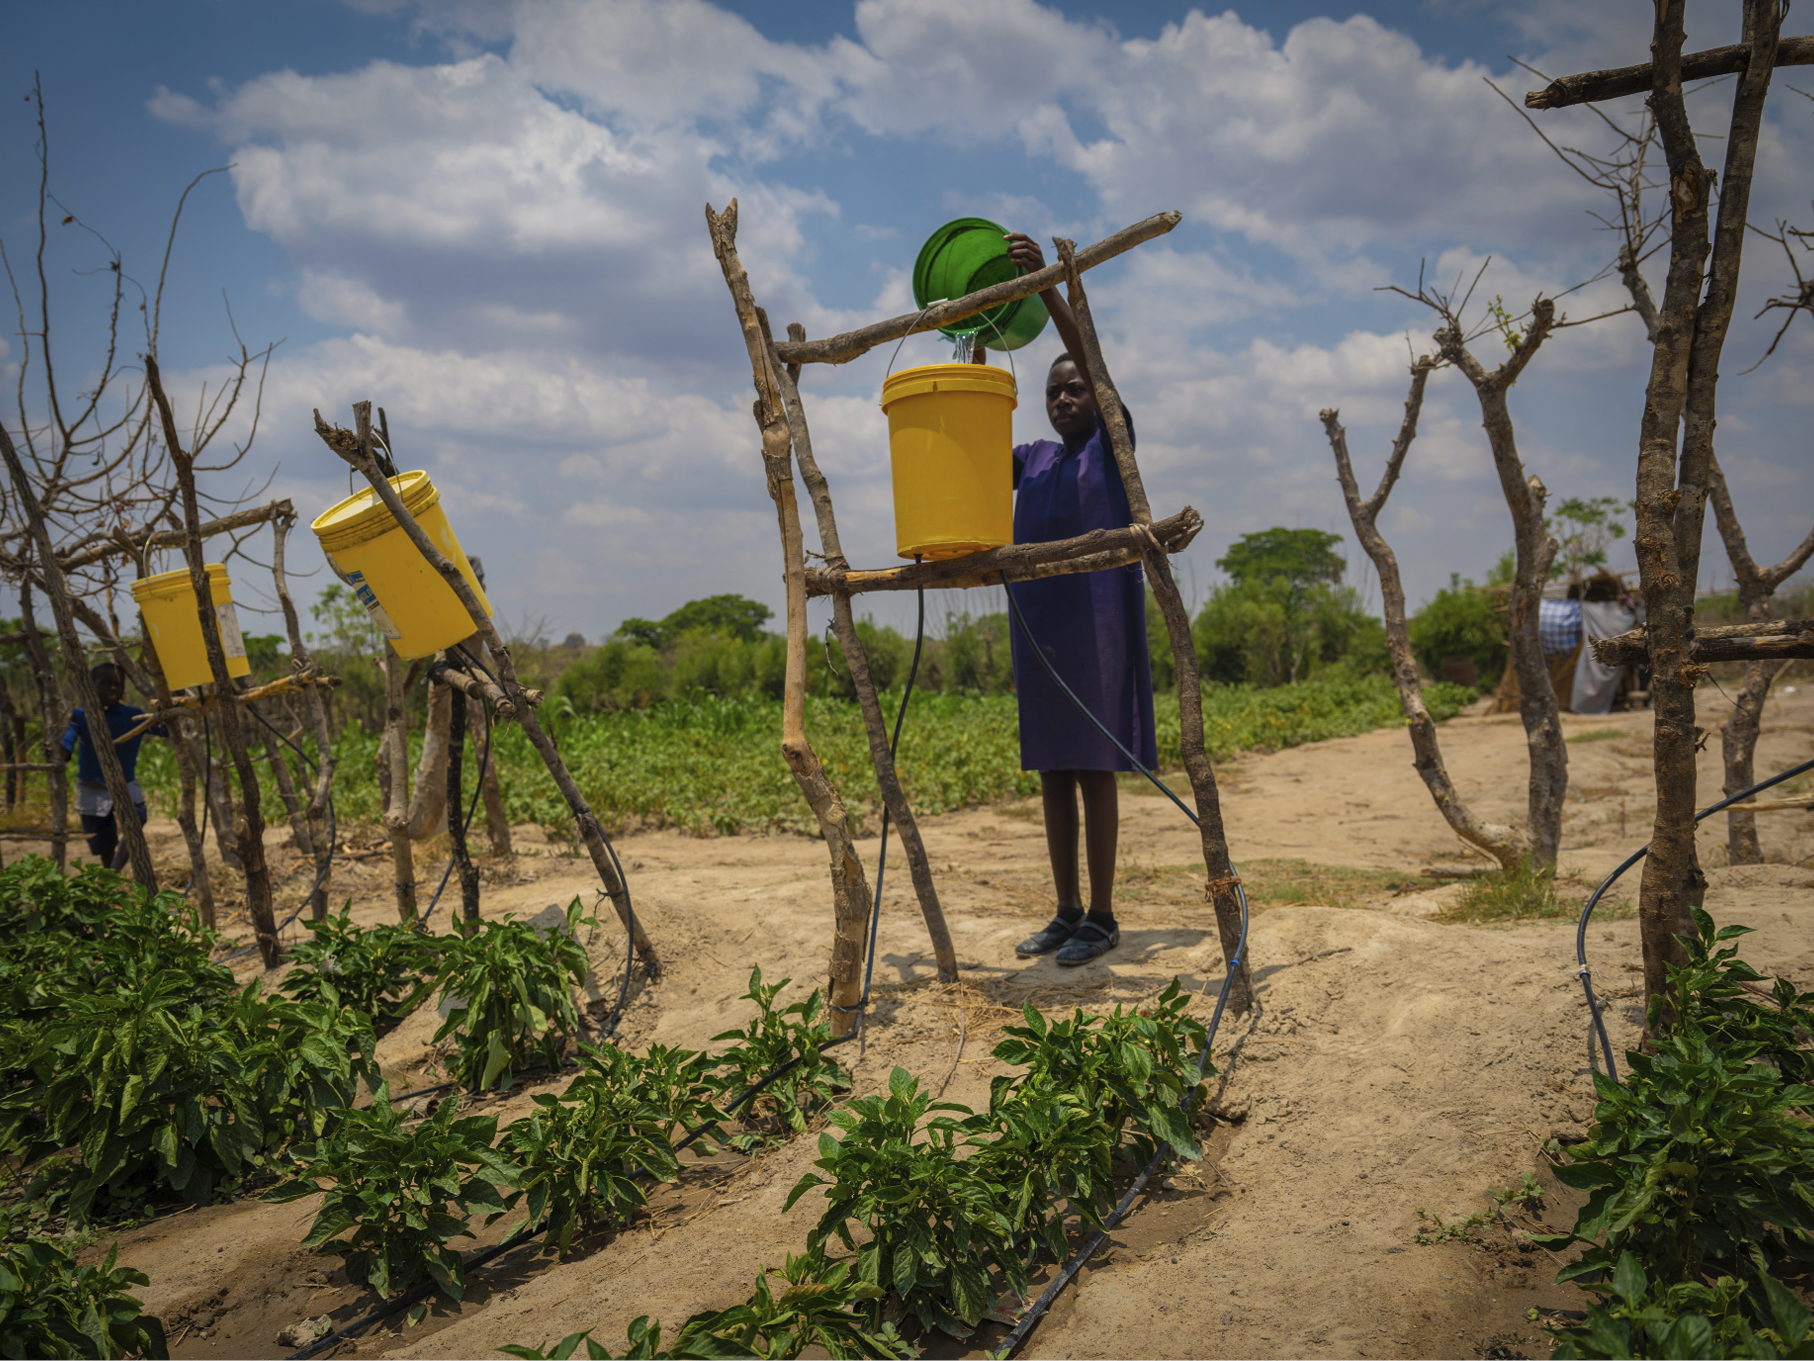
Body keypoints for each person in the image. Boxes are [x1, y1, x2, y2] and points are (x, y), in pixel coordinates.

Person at [994, 231, 1158, 967]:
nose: (1064, 397)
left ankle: (1102, 914)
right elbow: (970, 449)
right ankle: (1064, 911)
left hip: (1099, 630)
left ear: (1098, 396)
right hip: (1041, 633)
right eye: (1054, 391)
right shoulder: (1030, 460)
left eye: (1075, 387)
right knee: (1053, 768)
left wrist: (1048, 291)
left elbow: (1089, 356)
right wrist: (974, 335)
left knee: (1093, 765)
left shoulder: (1109, 448)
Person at [59, 663, 165, 871]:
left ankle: (112, 876)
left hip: (124, 782)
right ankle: (109, 883)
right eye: (105, 683)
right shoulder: (81, 715)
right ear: (91, 685)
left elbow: (166, 730)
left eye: (117, 684)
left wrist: (166, 710)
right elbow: (67, 740)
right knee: (103, 842)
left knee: (137, 817)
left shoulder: (132, 715)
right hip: (92, 786)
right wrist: (61, 749)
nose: (112, 688)